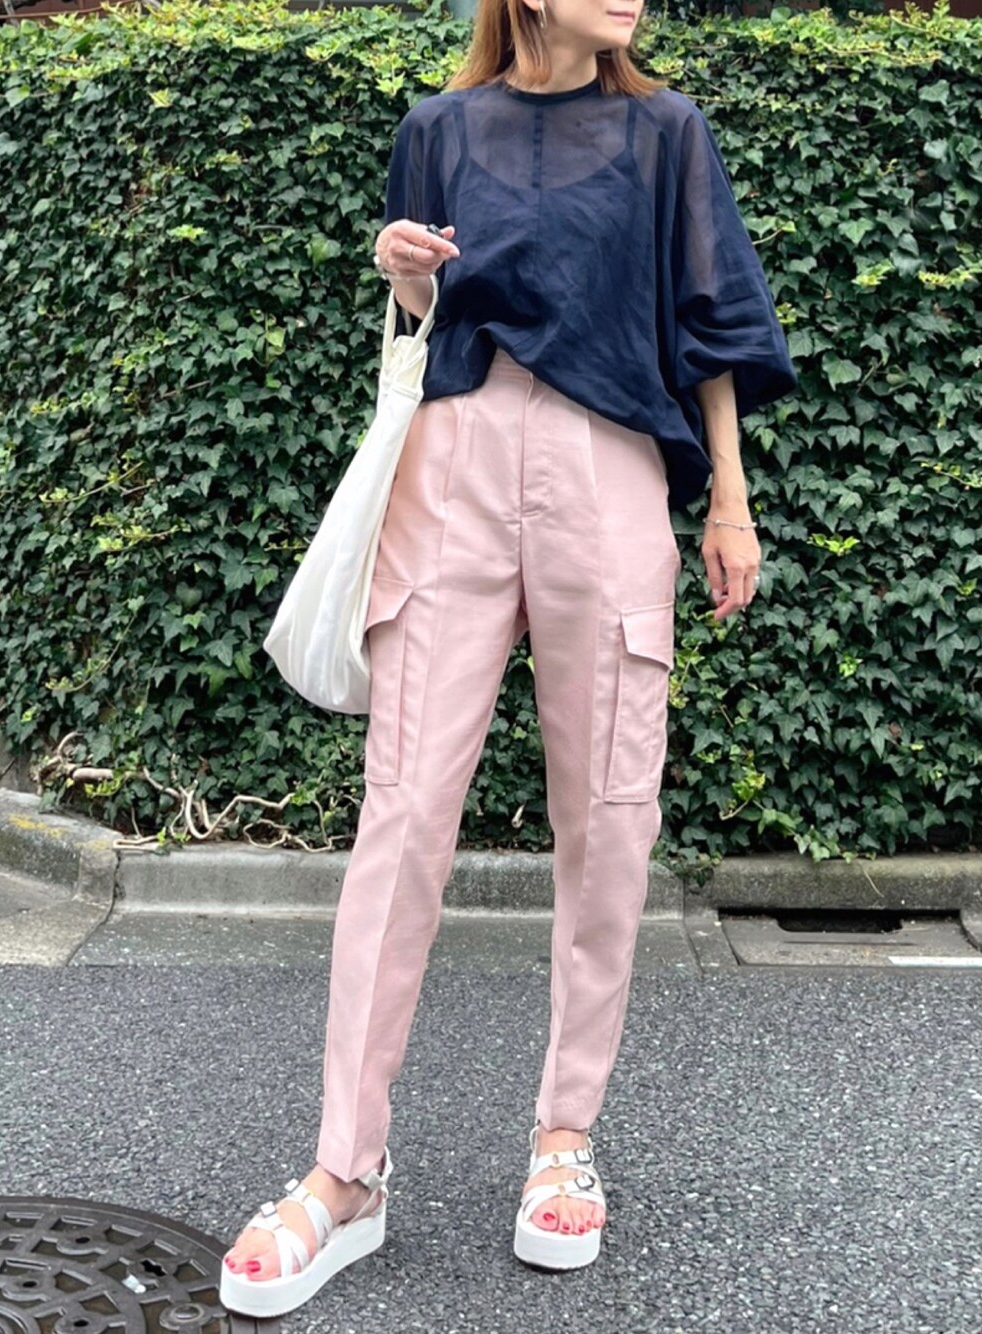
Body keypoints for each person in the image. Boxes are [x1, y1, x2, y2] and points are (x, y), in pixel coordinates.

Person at [220, 0, 797, 1317]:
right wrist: (406, 274)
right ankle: (345, 1171)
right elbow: (425, 320)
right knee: (403, 812)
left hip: (612, 467)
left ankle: (564, 1136)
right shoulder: (439, 128)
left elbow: (711, 320)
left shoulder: (668, 132)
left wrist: (729, 500)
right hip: (456, 463)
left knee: (610, 811)